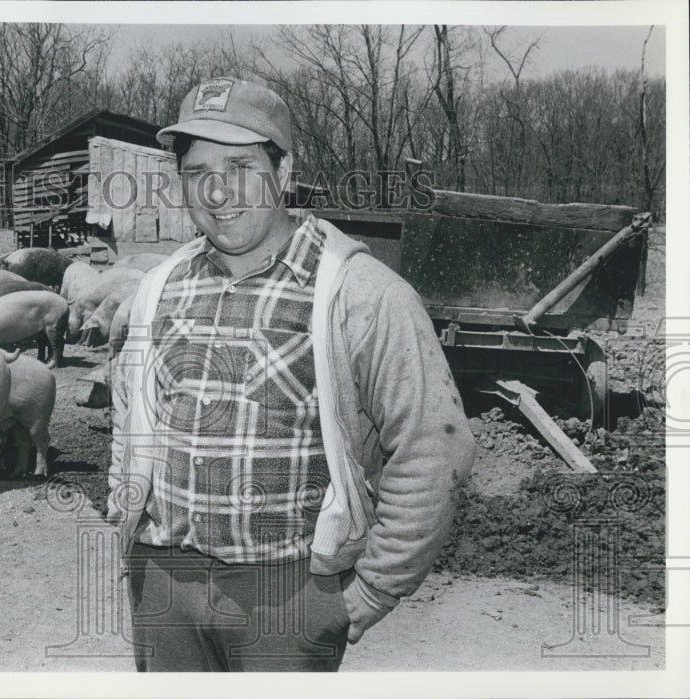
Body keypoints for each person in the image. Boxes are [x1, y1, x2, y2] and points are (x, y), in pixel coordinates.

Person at [108, 77, 475, 672]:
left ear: (283, 173)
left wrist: (371, 591)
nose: (218, 190)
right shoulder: (158, 288)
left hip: (285, 595)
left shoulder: (359, 293)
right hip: (162, 581)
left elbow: (435, 447)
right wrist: (127, 523)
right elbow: (130, 415)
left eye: (240, 165)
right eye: (197, 171)